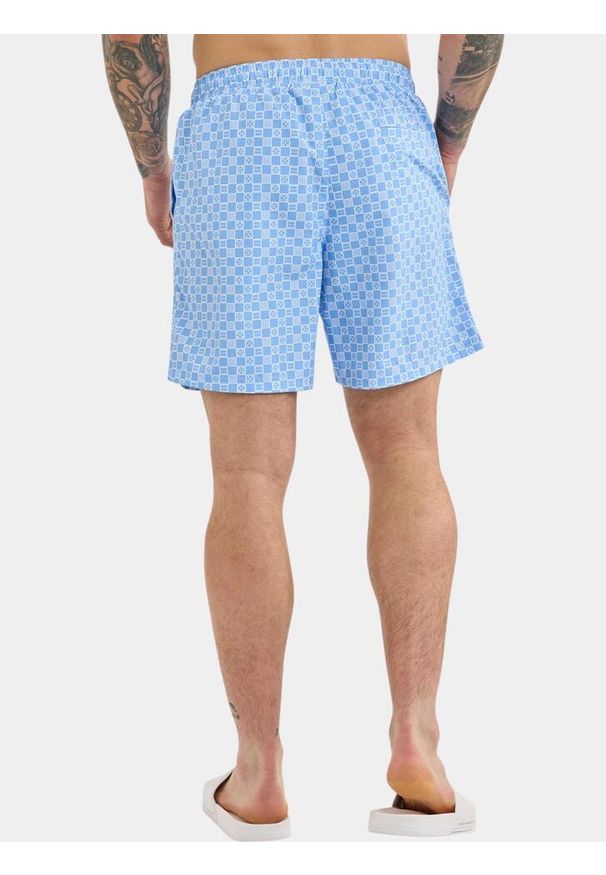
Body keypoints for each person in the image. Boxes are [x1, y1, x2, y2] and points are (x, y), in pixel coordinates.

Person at [103, 33, 503, 840]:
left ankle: (257, 771)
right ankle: (417, 738)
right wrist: (448, 142)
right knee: (409, 452)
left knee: (246, 472)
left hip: (239, 125)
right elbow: (480, 25)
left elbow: (127, 31)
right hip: (380, 122)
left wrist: (153, 167)